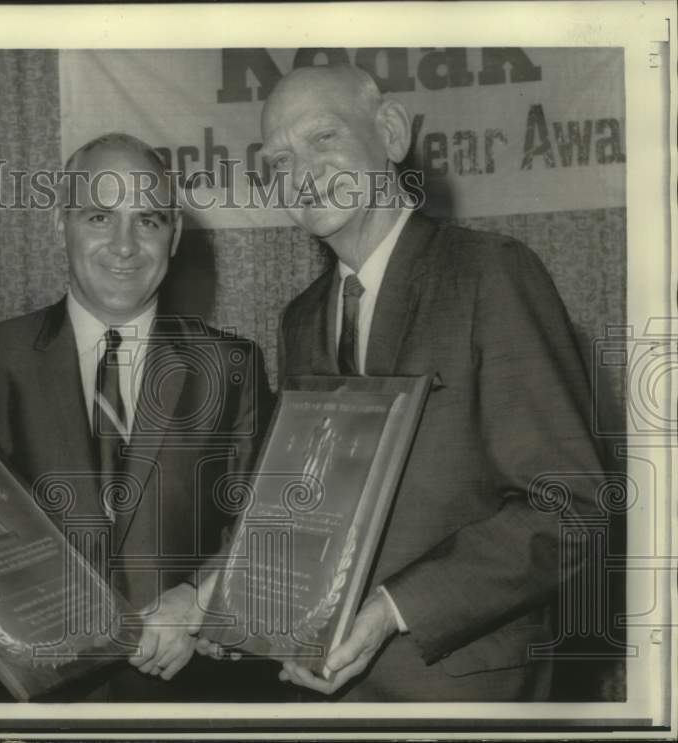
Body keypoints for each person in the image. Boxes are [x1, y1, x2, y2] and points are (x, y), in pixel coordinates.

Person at [249, 64, 604, 701]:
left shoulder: (488, 275)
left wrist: (390, 609)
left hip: (463, 692)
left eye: (322, 139)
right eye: (278, 162)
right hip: (330, 690)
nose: (300, 175)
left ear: (388, 133)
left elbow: (570, 509)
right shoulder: (301, 319)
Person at [0, 132, 274, 701]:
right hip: (34, 696)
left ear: (175, 236)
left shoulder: (232, 365)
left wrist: (197, 603)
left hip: (190, 699)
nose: (124, 245)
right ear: (59, 224)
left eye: (148, 220)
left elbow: (263, 526)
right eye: (98, 217)